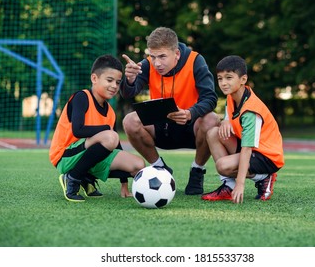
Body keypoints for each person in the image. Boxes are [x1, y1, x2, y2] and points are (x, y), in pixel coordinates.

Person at [120, 27, 219, 195]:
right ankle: (160, 168)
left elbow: (210, 98)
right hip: (160, 129)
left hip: (191, 128)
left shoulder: (196, 61)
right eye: (153, 56)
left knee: (212, 119)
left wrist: (190, 113)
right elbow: (129, 93)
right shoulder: (147, 65)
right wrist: (129, 80)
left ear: (177, 54)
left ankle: (197, 171)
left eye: (162, 56)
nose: (157, 63)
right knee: (129, 121)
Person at [49, 54, 145, 202]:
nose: (114, 86)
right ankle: (73, 178)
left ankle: (86, 177)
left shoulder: (110, 112)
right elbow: (78, 130)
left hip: (89, 154)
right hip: (65, 156)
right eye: (109, 80)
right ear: (94, 78)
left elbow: (116, 147)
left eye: (118, 82)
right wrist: (106, 129)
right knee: (110, 136)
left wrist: (124, 184)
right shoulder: (82, 97)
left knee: (138, 165)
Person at [201, 55, 284, 204]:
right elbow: (229, 112)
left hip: (267, 156)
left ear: (243, 80)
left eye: (229, 78)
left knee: (222, 166)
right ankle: (228, 186)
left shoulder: (251, 110)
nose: (223, 83)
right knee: (213, 133)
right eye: (220, 78)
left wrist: (241, 184)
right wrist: (225, 120)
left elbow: (247, 149)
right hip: (253, 150)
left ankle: (264, 176)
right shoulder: (232, 95)